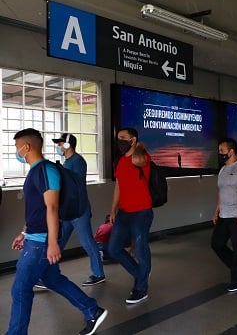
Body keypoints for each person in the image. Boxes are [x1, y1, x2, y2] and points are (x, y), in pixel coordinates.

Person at [7, 128, 107, 335]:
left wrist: (52, 242)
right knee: (52, 279)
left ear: (27, 147)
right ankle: (91, 310)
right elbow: (38, 210)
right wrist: (24, 232)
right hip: (35, 237)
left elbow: (52, 207)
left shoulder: (45, 170)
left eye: (17, 147)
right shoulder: (36, 171)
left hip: (41, 242)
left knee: (20, 289)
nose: (17, 152)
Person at [53, 133, 105, 286]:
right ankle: (50, 274)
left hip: (78, 210)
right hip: (67, 210)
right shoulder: (66, 162)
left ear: (68, 145)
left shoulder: (78, 161)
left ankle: (98, 274)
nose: (59, 147)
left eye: (61, 144)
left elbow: (75, 185)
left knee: (87, 242)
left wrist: (59, 173)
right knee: (58, 243)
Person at [108, 127, 154, 304]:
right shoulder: (120, 161)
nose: (119, 140)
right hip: (124, 212)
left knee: (141, 250)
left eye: (123, 138)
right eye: (118, 137)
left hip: (142, 211)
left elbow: (137, 159)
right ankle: (141, 273)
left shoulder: (143, 157)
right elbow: (119, 186)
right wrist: (113, 208)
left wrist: (140, 146)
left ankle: (141, 288)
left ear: (132, 140)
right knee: (113, 249)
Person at [211, 138, 237, 292]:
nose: (220, 153)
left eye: (222, 151)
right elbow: (221, 192)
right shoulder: (222, 170)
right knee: (216, 244)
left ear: (231, 151)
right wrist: (217, 210)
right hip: (224, 214)